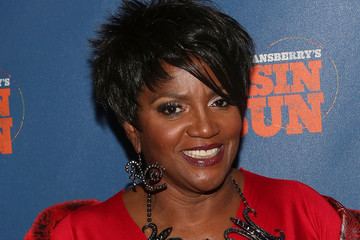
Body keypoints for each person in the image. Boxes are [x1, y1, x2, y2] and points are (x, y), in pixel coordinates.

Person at [50, 0, 342, 239]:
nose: (205, 127)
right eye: (173, 108)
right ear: (132, 129)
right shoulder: (84, 233)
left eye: (220, 101)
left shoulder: (300, 211)